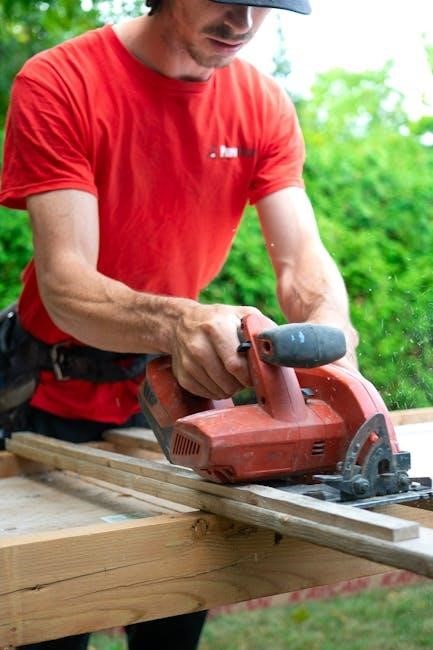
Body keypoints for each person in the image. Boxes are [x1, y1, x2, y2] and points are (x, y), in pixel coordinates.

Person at [0, 0, 359, 648]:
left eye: (264, 4)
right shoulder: (61, 81)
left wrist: (329, 330)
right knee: (49, 623)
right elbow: (66, 286)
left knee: (174, 616)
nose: (243, 22)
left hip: (172, 400)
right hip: (50, 399)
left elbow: (300, 259)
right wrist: (180, 320)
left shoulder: (263, 105)